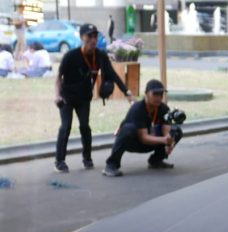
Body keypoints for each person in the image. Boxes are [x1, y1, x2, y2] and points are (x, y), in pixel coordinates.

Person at [54, 23, 134, 173]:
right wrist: (57, 96)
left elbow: (112, 74)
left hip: (84, 97)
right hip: (67, 97)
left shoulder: (100, 56)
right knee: (66, 126)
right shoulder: (71, 55)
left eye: (95, 36)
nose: (93, 39)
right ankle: (59, 160)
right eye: (89, 36)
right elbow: (59, 77)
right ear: (82, 37)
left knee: (85, 127)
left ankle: (87, 158)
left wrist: (126, 92)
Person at [103, 79, 182, 177]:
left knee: (176, 131)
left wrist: (169, 142)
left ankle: (156, 161)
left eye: (161, 94)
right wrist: (164, 140)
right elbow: (143, 138)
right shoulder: (137, 108)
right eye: (155, 94)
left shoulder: (163, 108)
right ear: (146, 94)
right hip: (133, 142)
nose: (158, 97)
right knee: (128, 129)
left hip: (151, 140)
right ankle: (111, 165)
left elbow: (166, 131)